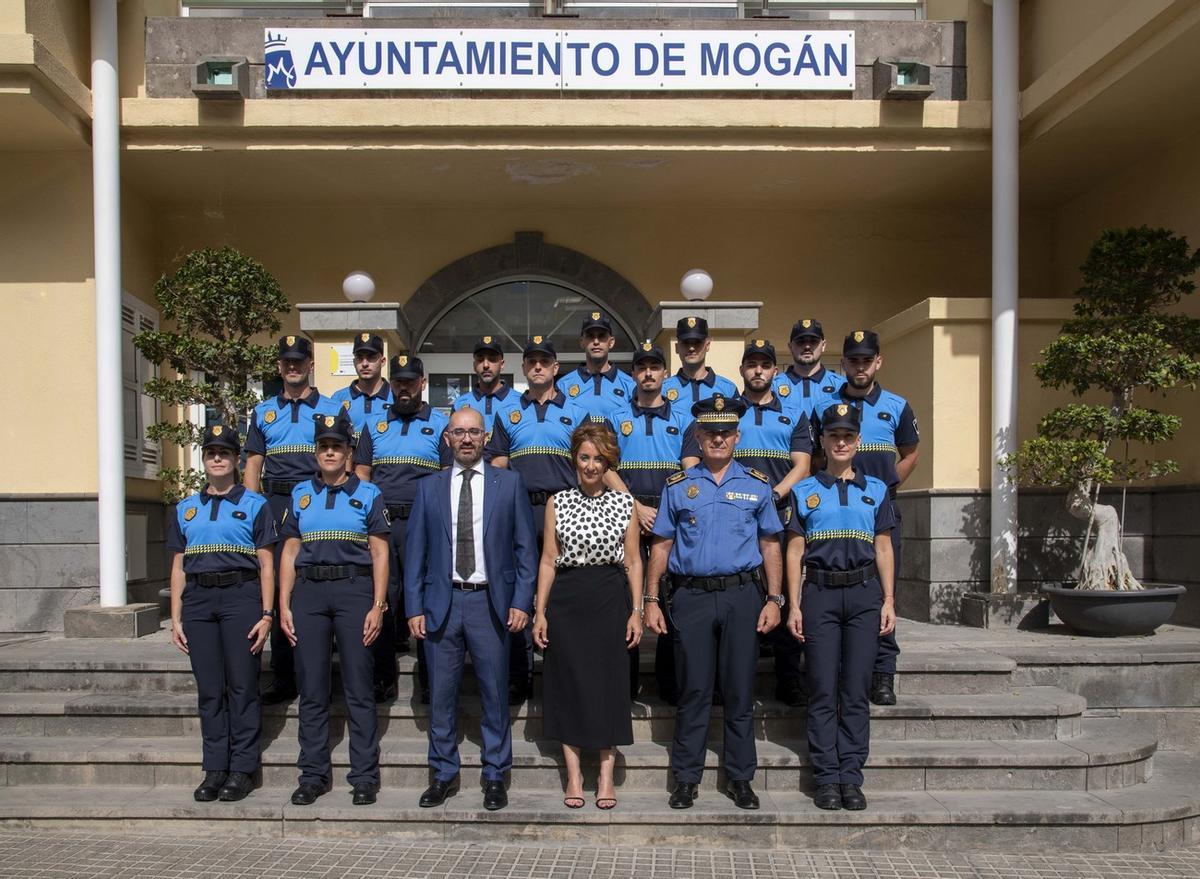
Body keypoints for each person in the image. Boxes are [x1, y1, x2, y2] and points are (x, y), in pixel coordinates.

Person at [643, 394, 785, 811]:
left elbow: (771, 544)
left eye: (725, 432)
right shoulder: (678, 486)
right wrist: (651, 599)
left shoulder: (757, 485)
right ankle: (686, 779)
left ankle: (741, 778)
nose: (718, 439)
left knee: (740, 692)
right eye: (710, 433)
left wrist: (775, 598)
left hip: (743, 596)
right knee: (694, 690)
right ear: (698, 437)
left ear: (737, 437)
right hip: (692, 598)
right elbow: (662, 545)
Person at [405, 407, 539, 812]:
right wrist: (414, 606)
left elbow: (525, 550)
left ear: (485, 439)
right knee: (441, 697)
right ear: (446, 439)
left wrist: (521, 601)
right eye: (458, 432)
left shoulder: (509, 483)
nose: (466, 439)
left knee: (495, 694)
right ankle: (443, 773)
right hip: (441, 603)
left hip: (489, 603)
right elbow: (415, 553)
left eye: (474, 432)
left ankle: (495, 774)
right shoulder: (429, 487)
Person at [786, 402, 897, 811]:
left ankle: (851, 776)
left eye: (848, 436)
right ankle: (825, 777)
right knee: (821, 688)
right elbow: (795, 550)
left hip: (865, 596)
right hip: (820, 595)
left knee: (854, 691)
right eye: (833, 435)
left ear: (858, 441)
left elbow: (883, 547)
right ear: (822, 440)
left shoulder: (877, 490)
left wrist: (889, 600)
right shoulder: (804, 490)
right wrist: (794, 605)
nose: (841, 442)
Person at [278, 412, 390, 807]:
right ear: (316, 452)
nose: (330, 452)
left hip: (354, 591)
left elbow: (379, 550)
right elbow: (290, 549)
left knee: (359, 687)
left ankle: (363, 776)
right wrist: (283, 603)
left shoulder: (368, 494)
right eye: (324, 446)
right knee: (311, 689)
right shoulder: (299, 494)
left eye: (337, 447)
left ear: (347, 453)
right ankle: (312, 774)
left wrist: (378, 604)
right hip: (308, 593)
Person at [532, 423, 643, 810]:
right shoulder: (557, 502)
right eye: (584, 457)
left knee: (610, 685)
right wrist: (540, 612)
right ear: (574, 459)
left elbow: (633, 560)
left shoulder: (625, 504)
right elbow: (547, 560)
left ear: (608, 461)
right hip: (567, 600)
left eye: (598, 458)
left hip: (610, 598)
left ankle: (607, 776)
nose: (591, 465)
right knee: (569, 685)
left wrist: (637, 611)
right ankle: (575, 776)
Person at [167, 423, 277, 804]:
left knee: (243, 686)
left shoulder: (254, 504)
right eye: (211, 453)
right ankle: (215, 767)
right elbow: (179, 564)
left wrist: (267, 613)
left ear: (236, 459)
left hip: (241, 597)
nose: (217, 459)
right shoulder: (186, 507)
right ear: (204, 460)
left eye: (224, 453)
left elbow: (266, 564)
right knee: (210, 690)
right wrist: (176, 617)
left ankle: (242, 768)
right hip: (199, 602)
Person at [815, 330, 919, 706]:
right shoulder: (825, 409)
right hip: (835, 517)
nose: (860, 366)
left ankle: (882, 672)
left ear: (878, 362)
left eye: (866, 359)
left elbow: (910, 452)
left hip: (879, 514)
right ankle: (845, 669)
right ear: (842, 364)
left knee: (883, 594)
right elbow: (815, 458)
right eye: (853, 360)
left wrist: (889, 486)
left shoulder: (897, 405)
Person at [485, 335, 591, 703]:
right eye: (531, 362)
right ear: (524, 368)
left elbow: (589, 464)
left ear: (556, 368)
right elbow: (497, 464)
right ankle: (519, 676)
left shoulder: (577, 412)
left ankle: (562, 674)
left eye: (544, 361)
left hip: (565, 510)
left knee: (562, 592)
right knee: (520, 592)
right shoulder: (508, 413)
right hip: (520, 511)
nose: (538, 367)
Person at [243, 335, 341, 705]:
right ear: (279, 367)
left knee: (322, 582)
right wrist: (252, 510)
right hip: (276, 500)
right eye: (286, 361)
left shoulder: (332, 407)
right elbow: (253, 463)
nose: (293, 366)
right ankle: (284, 676)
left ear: (311, 364)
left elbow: (342, 459)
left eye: (299, 360)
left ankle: (325, 673)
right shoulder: (264, 411)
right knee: (283, 587)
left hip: (318, 499)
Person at [354, 354, 451, 703]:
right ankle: (384, 678)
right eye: (398, 381)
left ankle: (428, 678)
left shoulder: (441, 425)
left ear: (422, 383)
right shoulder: (374, 426)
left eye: (411, 381)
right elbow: (362, 475)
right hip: (381, 525)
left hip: (422, 524)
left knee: (425, 598)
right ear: (391, 383)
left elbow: (446, 479)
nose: (404, 387)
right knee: (382, 598)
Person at [608, 341, 695, 703]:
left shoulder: (684, 419)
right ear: (633, 374)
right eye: (641, 367)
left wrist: (667, 512)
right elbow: (606, 468)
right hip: (625, 513)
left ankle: (669, 684)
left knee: (670, 599)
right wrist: (634, 507)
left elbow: (690, 471)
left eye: (654, 367)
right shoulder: (614, 416)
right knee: (622, 597)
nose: (647, 373)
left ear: (664, 373)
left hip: (669, 516)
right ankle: (624, 686)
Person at [730, 339, 814, 707]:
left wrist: (773, 495)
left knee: (781, 594)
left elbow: (803, 465)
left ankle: (788, 679)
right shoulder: (729, 412)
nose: (758, 370)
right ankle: (738, 683)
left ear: (775, 371)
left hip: (778, 516)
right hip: (734, 518)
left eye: (765, 364)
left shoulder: (793, 413)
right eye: (751, 364)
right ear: (742, 370)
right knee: (742, 599)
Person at [556, 311, 637, 422]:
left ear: (611, 342)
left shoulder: (629, 385)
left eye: (602, 336)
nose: (596, 341)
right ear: (582, 342)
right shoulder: (564, 385)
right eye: (590, 336)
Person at [451, 335, 520, 443]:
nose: (486, 365)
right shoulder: (460, 404)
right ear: (474, 365)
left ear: (501, 364)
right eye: (480, 359)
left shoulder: (520, 401)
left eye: (492, 359)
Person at [772, 319, 846, 419]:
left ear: (823, 345)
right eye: (800, 342)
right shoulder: (774, 386)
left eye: (813, 341)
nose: (807, 346)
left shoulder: (841, 385)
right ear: (790, 347)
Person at [661, 316, 738, 407]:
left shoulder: (728, 389)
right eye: (686, 343)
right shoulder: (663, 389)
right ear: (677, 347)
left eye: (697, 342)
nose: (691, 348)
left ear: (707, 345)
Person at [331, 333, 392, 442]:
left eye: (371, 357)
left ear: (382, 361)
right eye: (359, 358)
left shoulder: (395, 397)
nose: (364, 364)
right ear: (354, 362)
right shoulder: (338, 398)